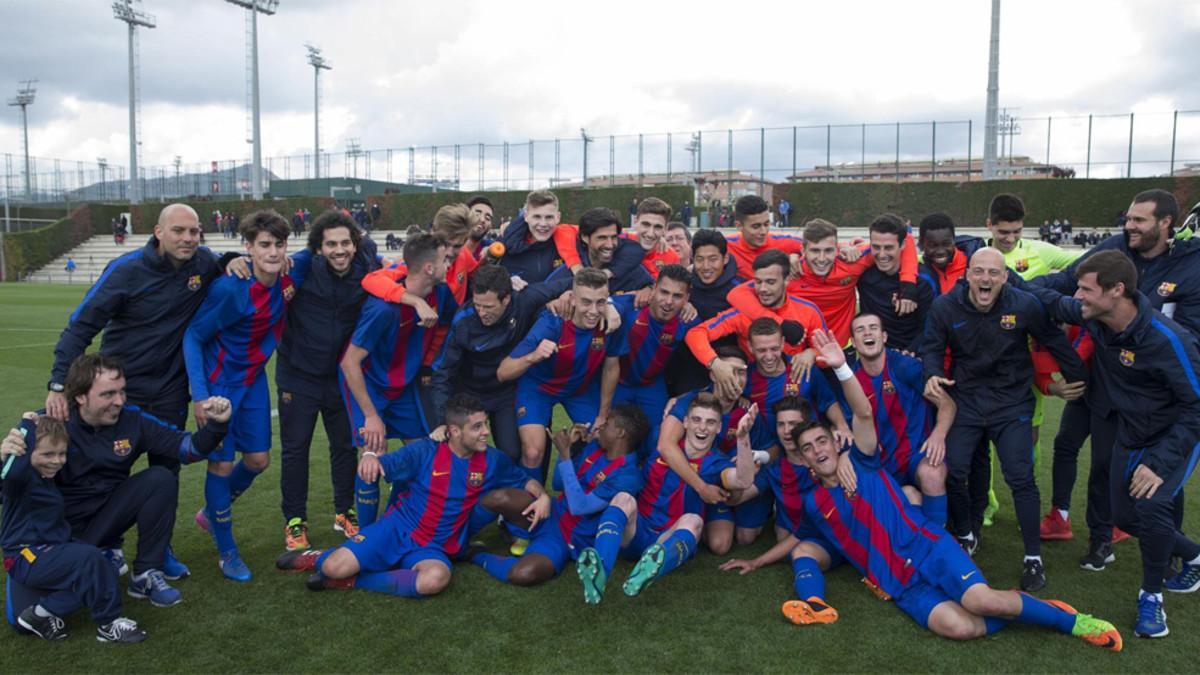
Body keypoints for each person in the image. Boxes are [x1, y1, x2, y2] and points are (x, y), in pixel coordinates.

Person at [789, 330, 1122, 651]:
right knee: (958, 626)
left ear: (836, 442)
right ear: (803, 460)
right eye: (808, 448)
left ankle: (1068, 620)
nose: (818, 450)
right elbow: (809, 544)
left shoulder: (863, 461)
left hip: (926, 547)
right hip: (899, 583)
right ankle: (1021, 607)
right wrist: (771, 564)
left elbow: (863, 413)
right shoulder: (814, 503)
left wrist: (841, 367)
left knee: (980, 601)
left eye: (822, 441)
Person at [45, 203, 241, 580]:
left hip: (169, 389)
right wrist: (58, 384)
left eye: (194, 231)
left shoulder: (203, 262)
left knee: (166, 471)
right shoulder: (126, 270)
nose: (187, 238)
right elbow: (80, 327)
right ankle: (100, 543)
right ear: (158, 232)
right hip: (120, 391)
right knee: (106, 467)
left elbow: (223, 259)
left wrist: (234, 259)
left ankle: (158, 550)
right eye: (178, 231)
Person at [1025, 250, 1200, 639]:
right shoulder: (1097, 315)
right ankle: (1194, 554)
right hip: (1131, 434)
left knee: (1151, 507)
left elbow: (1196, 407)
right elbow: (1052, 300)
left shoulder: (1169, 340)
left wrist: (1158, 463)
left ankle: (1151, 599)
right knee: (1125, 518)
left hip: (1173, 438)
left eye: (1086, 290)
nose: (1078, 297)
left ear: (1117, 290)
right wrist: (1005, 280)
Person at [922, 248, 1087, 591]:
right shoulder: (945, 307)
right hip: (966, 401)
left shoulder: (1024, 304)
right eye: (979, 272)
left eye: (993, 273)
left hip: (1011, 403)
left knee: (1020, 477)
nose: (986, 279)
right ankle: (966, 534)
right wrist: (933, 373)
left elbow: (1053, 339)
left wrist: (1080, 378)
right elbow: (932, 348)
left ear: (1005, 277)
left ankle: (1033, 558)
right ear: (967, 275)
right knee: (955, 469)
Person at [274, 394, 550, 599]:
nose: (486, 432)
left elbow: (524, 481)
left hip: (434, 547)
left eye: (485, 424)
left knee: (435, 580)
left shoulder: (492, 460)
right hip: (396, 529)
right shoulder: (425, 451)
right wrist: (370, 457)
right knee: (335, 567)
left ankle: (352, 581)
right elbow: (382, 465)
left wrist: (543, 496)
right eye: (477, 427)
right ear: (454, 431)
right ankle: (320, 557)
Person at [31, 354, 232, 608]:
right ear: (80, 397)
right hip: (57, 531)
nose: (119, 401)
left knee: (160, 478)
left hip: (105, 521)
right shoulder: (49, 425)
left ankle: (144, 574)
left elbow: (189, 449)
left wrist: (216, 426)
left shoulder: (132, 420)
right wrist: (7, 456)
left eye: (121, 391)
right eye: (108, 394)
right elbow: (7, 487)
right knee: (25, 615)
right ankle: (91, 556)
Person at [184, 210, 295, 582]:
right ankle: (227, 552)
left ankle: (210, 513)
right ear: (249, 247)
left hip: (253, 381)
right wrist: (200, 396)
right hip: (220, 386)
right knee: (221, 465)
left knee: (259, 460)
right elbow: (193, 336)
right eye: (264, 245)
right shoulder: (231, 288)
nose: (273, 252)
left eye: (279, 244)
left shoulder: (288, 276)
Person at [573, 392, 757, 603]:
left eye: (710, 422)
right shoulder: (659, 442)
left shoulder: (717, 463)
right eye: (696, 420)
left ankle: (648, 571)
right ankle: (599, 570)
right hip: (636, 530)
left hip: (667, 539)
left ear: (718, 428)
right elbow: (626, 449)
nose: (702, 428)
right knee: (623, 498)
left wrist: (743, 437)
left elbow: (742, 480)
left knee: (694, 521)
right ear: (685, 422)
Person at [275, 209, 381, 551]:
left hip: (339, 376)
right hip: (298, 374)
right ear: (318, 248)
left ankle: (344, 511)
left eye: (345, 243)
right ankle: (295, 521)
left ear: (355, 244)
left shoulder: (367, 264)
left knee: (344, 446)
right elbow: (266, 268)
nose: (339, 250)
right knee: (296, 450)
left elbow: (389, 268)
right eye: (331, 244)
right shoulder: (303, 266)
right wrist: (231, 260)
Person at [339, 234, 458, 527]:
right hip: (370, 387)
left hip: (404, 386)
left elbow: (451, 324)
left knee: (419, 454)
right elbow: (349, 362)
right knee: (372, 456)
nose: (450, 264)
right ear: (429, 268)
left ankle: (395, 522)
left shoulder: (441, 294)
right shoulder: (382, 309)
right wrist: (371, 415)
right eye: (445, 259)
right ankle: (365, 538)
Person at [1, 414, 146, 643]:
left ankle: (41, 614)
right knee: (90, 559)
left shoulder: (45, 478)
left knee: (105, 569)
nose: (57, 461)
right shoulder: (22, 479)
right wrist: (25, 426)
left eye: (61, 454)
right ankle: (109, 624)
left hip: (50, 550)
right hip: (25, 555)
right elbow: (9, 472)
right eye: (48, 454)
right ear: (26, 453)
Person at [466, 405, 648, 587]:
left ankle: (474, 554)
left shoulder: (628, 476)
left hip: (568, 539)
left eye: (607, 424)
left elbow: (579, 507)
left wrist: (566, 456)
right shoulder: (594, 448)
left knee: (523, 573)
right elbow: (558, 484)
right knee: (499, 498)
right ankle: (458, 538)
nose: (600, 426)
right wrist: (569, 450)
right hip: (551, 512)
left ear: (620, 433)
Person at [429, 263, 575, 461]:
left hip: (505, 392)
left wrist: (567, 296)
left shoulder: (524, 299)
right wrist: (441, 420)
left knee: (512, 453)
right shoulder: (463, 321)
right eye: (477, 305)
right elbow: (442, 372)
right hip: (469, 392)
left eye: (488, 307)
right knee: (460, 452)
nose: (481, 312)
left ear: (506, 299)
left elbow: (576, 283)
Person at [498, 268, 622, 482]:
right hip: (539, 388)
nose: (594, 311)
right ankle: (527, 500)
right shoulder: (551, 323)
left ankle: (573, 491)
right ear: (572, 299)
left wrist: (602, 415)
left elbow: (611, 368)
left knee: (602, 439)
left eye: (600, 302)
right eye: (586, 302)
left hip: (578, 389)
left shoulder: (611, 321)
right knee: (533, 452)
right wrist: (533, 356)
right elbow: (503, 372)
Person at [729, 217, 918, 345]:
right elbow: (736, 294)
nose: (821, 258)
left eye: (828, 251)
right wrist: (780, 323)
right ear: (802, 250)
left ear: (837, 249)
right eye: (814, 251)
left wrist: (908, 285)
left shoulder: (852, 261)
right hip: (801, 351)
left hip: (842, 349)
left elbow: (906, 239)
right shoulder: (790, 274)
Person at [849, 313, 952, 524]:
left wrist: (938, 435)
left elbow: (947, 403)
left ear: (884, 336)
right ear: (853, 342)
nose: (867, 333)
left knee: (932, 473)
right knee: (908, 498)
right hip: (880, 464)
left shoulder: (905, 366)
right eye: (860, 329)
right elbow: (845, 424)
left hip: (915, 455)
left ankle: (938, 538)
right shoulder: (851, 380)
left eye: (873, 328)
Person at [686, 249, 825, 401]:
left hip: (795, 391)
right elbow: (695, 334)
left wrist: (811, 354)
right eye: (758, 282)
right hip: (750, 392)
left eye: (770, 282)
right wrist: (715, 364)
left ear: (786, 280)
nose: (763, 289)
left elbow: (827, 352)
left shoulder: (808, 310)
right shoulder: (741, 313)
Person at [608, 264, 698, 459]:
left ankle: (645, 475)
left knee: (658, 438)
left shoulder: (688, 320)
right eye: (664, 292)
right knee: (610, 437)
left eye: (677, 296)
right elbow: (601, 302)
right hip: (617, 383)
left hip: (651, 385)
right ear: (654, 288)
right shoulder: (633, 306)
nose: (668, 301)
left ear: (687, 298)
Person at [856, 214, 937, 351]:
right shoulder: (863, 275)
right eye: (876, 247)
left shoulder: (923, 281)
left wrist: (910, 352)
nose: (882, 254)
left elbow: (930, 326)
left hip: (913, 354)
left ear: (903, 245)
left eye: (888, 248)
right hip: (876, 354)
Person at [723, 195, 805, 281]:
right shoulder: (726, 246)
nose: (763, 231)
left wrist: (797, 255)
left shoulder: (784, 242)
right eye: (756, 226)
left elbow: (812, 246)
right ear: (739, 226)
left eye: (766, 224)